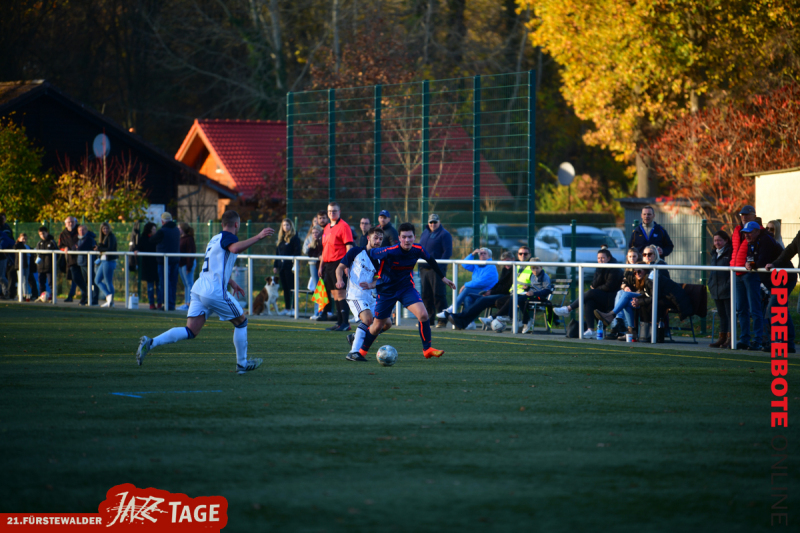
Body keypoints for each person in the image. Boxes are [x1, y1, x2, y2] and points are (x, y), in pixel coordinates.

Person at [136, 210, 275, 374]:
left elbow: (214, 266)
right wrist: (258, 237)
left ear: (222, 224)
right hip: (213, 290)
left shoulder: (214, 239)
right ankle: (242, 364)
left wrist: (230, 281)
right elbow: (236, 248)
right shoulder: (228, 237)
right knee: (241, 322)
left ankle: (151, 343)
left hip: (200, 287)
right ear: (236, 224)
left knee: (191, 330)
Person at [355, 222, 456, 360]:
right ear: (399, 238)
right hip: (387, 291)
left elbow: (431, 260)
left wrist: (443, 277)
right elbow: (370, 252)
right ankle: (361, 352)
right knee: (378, 325)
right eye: (404, 237)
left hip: (406, 288)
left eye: (410, 237)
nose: (407, 240)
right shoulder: (390, 251)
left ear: (414, 237)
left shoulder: (418, 249)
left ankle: (427, 349)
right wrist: (372, 278)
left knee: (423, 315)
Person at [335, 226, 393, 360]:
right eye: (375, 238)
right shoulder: (356, 251)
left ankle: (357, 336)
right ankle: (353, 352)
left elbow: (379, 278)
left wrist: (372, 284)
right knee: (368, 319)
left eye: (380, 239)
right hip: (355, 295)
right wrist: (339, 280)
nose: (378, 241)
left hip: (370, 296)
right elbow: (340, 268)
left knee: (387, 323)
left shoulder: (380, 259)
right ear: (368, 238)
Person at [742, 221, 796, 354]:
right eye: (745, 233)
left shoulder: (765, 240)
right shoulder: (753, 242)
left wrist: (751, 264)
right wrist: (748, 264)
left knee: (774, 308)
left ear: (757, 231)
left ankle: (778, 342)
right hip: (775, 279)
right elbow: (751, 259)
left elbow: (762, 261)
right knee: (780, 309)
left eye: (750, 232)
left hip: (784, 277)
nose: (747, 235)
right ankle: (788, 343)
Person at [553, 248, 623, 338]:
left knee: (591, 293)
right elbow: (593, 283)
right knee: (589, 301)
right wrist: (600, 272)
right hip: (601, 295)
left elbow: (609, 286)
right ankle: (590, 330)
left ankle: (568, 309)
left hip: (611, 298)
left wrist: (596, 289)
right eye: (598, 258)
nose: (600, 260)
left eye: (603, 258)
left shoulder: (615, 268)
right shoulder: (599, 268)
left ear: (609, 258)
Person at [444, 251, 514, 330]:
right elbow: (500, 284)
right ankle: (466, 322)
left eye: (508, 261)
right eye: (504, 262)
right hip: (496, 292)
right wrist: (490, 291)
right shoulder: (506, 269)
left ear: (513, 259)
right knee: (469, 297)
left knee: (481, 298)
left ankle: (458, 316)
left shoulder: (510, 268)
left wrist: (491, 292)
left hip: (507, 295)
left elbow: (506, 287)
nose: (506, 264)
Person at [731, 205, 764, 350]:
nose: (743, 217)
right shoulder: (737, 230)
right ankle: (744, 339)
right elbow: (735, 249)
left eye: (747, 214)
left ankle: (758, 339)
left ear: (753, 215)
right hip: (737, 272)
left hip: (750, 274)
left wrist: (752, 264)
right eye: (742, 214)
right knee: (742, 309)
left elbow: (759, 251)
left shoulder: (759, 232)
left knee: (755, 308)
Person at [319, 202, 354, 331]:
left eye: (334, 211)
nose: (331, 213)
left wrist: (347, 265)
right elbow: (324, 248)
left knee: (341, 293)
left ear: (339, 212)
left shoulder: (344, 226)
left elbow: (349, 246)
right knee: (334, 294)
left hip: (339, 263)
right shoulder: (327, 227)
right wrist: (321, 265)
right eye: (329, 211)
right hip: (328, 264)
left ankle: (345, 322)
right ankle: (339, 323)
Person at [594, 248, 641, 340]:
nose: (632, 259)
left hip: (641, 296)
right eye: (630, 256)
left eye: (634, 256)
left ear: (638, 257)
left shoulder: (642, 267)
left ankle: (612, 317)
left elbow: (644, 287)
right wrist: (625, 287)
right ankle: (624, 327)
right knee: (622, 294)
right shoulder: (627, 269)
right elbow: (624, 282)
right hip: (630, 297)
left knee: (623, 295)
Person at [419, 214, 453, 327]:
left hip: (436, 270)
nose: (433, 224)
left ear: (439, 222)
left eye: (435, 222)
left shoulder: (444, 234)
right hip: (424, 269)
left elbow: (447, 252)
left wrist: (439, 267)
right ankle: (429, 319)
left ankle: (442, 320)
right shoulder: (425, 233)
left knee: (438, 294)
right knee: (426, 295)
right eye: (431, 222)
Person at [440, 247, 497, 315]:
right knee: (467, 299)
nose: (482, 255)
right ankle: (470, 323)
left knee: (467, 289)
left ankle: (451, 309)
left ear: (489, 256)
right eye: (481, 253)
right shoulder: (478, 264)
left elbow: (481, 282)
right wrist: (472, 254)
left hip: (487, 292)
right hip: (478, 291)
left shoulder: (491, 267)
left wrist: (465, 285)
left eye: (485, 253)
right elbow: (464, 264)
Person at [150, 212, 180, 311]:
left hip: (164, 261)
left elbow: (152, 240)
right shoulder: (176, 230)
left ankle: (167, 304)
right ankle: (172, 303)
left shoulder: (162, 231)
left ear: (162, 221)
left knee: (165, 283)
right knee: (172, 283)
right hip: (175, 260)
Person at [707, 231, 732, 348]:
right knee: (722, 315)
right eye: (715, 240)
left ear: (726, 240)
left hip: (726, 289)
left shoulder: (730, 252)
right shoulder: (714, 254)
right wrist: (710, 284)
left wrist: (727, 285)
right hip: (716, 289)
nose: (717, 243)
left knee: (729, 314)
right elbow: (713, 272)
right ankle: (722, 338)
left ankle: (730, 338)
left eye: (719, 240)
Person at [767, 225, 800, 315]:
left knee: (775, 307)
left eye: (772, 229)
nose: (769, 231)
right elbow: (789, 251)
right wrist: (775, 264)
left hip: (786, 278)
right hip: (779, 277)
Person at [273, 218, 302, 315]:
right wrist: (275, 265)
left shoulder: (294, 238)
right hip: (282, 267)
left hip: (290, 267)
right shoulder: (280, 238)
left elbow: (297, 252)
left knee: (292, 288)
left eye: (287, 225)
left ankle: (294, 308)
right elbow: (278, 253)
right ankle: (287, 308)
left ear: (291, 226)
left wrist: (294, 263)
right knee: (285, 288)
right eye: (284, 225)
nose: (286, 227)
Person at [59, 218, 86, 305]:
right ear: (65, 224)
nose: (71, 223)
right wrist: (65, 248)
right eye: (69, 222)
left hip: (82, 259)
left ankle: (83, 297)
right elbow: (60, 245)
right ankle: (82, 295)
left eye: (72, 222)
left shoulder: (80, 229)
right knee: (75, 278)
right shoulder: (63, 234)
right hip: (71, 260)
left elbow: (90, 237)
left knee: (82, 278)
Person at [134, 222, 161, 310]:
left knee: (159, 286)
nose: (155, 230)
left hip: (157, 264)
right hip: (148, 266)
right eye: (153, 229)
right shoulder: (143, 238)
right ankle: (151, 303)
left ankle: (160, 303)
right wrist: (136, 250)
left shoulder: (157, 238)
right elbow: (138, 247)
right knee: (150, 286)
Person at [94, 222, 118, 307]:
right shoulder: (103, 237)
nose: (105, 230)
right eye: (104, 228)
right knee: (97, 280)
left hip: (109, 261)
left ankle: (111, 302)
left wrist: (99, 248)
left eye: (107, 228)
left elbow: (110, 248)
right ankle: (108, 296)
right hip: (103, 261)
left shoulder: (111, 236)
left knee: (108, 282)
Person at [76, 225, 99, 305]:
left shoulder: (89, 238)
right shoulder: (79, 239)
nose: (81, 232)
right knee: (86, 282)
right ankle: (88, 298)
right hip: (82, 263)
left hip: (89, 263)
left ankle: (94, 300)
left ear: (86, 230)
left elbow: (79, 248)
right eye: (80, 230)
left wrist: (77, 248)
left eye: (83, 230)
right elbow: (74, 247)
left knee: (93, 282)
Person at [305, 224, 324, 319]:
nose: (315, 234)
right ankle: (317, 312)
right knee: (317, 288)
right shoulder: (312, 243)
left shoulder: (323, 242)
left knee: (322, 288)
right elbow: (310, 253)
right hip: (314, 266)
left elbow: (320, 253)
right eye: (313, 233)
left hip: (323, 267)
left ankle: (323, 312)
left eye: (317, 232)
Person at [177, 222, 197, 311]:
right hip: (181, 264)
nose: (178, 229)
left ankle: (190, 304)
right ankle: (187, 303)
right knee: (186, 284)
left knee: (189, 284)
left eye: (179, 228)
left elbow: (190, 253)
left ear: (182, 229)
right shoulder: (181, 238)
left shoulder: (189, 239)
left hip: (187, 264)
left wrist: (189, 266)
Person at [11, 233, 37, 301]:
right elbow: (14, 247)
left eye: (25, 239)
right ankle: (20, 295)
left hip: (27, 266)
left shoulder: (27, 246)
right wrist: (19, 243)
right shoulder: (18, 245)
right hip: (20, 265)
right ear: (19, 239)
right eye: (23, 238)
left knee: (25, 280)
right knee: (20, 280)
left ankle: (25, 294)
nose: (24, 240)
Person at [35, 226, 57, 302]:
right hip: (41, 267)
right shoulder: (39, 243)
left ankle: (53, 298)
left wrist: (52, 262)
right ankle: (41, 297)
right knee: (41, 283)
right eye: (40, 234)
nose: (42, 235)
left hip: (49, 267)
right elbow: (37, 254)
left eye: (43, 233)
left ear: (47, 233)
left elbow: (57, 253)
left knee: (51, 283)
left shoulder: (52, 242)